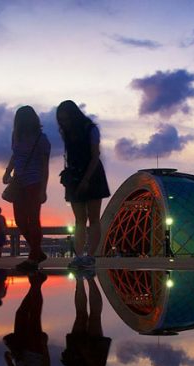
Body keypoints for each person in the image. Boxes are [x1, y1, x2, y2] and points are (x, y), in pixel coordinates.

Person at [56, 100, 110, 269]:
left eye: (66, 119)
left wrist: (86, 179)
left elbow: (95, 156)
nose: (64, 123)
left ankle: (91, 256)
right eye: (62, 120)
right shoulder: (68, 131)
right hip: (75, 175)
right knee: (79, 219)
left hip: (92, 174)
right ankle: (79, 256)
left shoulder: (90, 129)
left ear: (74, 116)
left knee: (93, 217)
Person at [3, 106, 50, 272]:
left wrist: (43, 189)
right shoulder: (17, 136)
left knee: (33, 219)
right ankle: (37, 252)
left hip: (34, 183)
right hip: (19, 182)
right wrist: (8, 171)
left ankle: (33, 258)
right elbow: (15, 155)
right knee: (20, 220)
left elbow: (45, 166)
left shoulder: (41, 139)